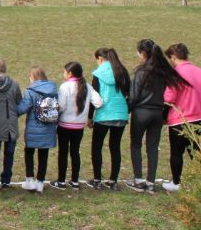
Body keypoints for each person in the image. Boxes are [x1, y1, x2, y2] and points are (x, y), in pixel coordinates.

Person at [125, 39, 189, 194]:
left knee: (136, 144)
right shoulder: (164, 71)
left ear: (143, 53)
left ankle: (139, 180)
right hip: (158, 113)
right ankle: (151, 182)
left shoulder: (141, 71)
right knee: (153, 147)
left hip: (141, 112)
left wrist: (127, 109)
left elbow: (134, 95)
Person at [162, 43, 201, 193]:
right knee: (198, 152)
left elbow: (169, 98)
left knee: (177, 152)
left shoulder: (175, 75)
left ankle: (176, 182)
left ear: (173, 57)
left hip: (181, 119)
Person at [51, 62, 102, 190]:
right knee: (75, 152)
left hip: (64, 125)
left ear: (70, 73)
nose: (63, 74)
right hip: (79, 126)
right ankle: (75, 181)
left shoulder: (65, 87)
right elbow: (99, 102)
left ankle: (61, 181)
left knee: (63, 152)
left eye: (64, 72)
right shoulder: (87, 87)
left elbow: (61, 105)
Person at [87, 48, 130, 190]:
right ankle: (113, 181)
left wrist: (89, 117)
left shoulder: (98, 74)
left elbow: (94, 96)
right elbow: (128, 93)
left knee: (97, 146)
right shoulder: (122, 72)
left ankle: (97, 179)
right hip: (120, 114)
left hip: (104, 114)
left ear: (100, 58)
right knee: (115, 147)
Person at [17, 66, 58, 194]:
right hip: (49, 128)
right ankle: (40, 182)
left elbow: (22, 108)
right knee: (43, 155)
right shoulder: (54, 90)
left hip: (33, 129)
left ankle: (29, 180)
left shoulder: (31, 91)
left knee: (29, 152)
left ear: (33, 77)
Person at [0, 58, 22, 190]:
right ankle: (6, 180)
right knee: (9, 153)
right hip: (11, 125)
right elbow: (19, 101)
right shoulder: (15, 84)